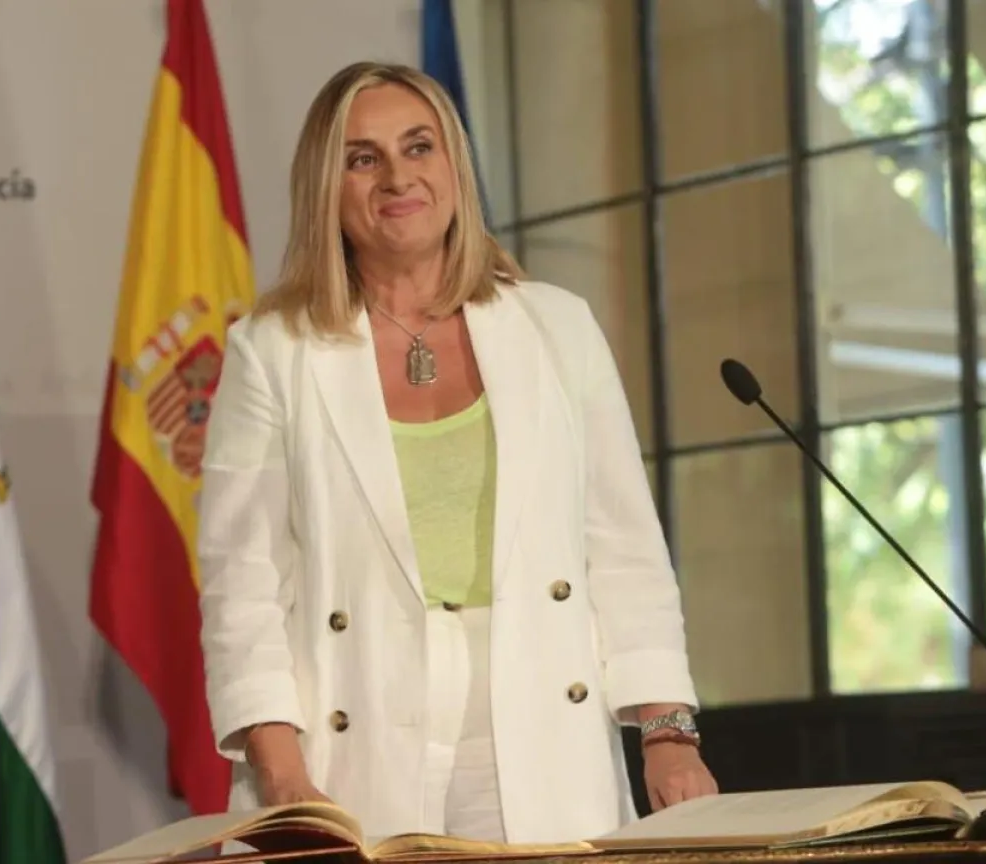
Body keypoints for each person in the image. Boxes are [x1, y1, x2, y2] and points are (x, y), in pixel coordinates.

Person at [195, 60, 718, 846]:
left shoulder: (557, 327)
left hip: (546, 729)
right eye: (363, 158)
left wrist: (668, 734)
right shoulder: (272, 350)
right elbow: (243, 583)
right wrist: (283, 775)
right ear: (325, 187)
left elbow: (625, 549)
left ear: (454, 167)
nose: (397, 177)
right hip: (350, 748)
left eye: (419, 147)